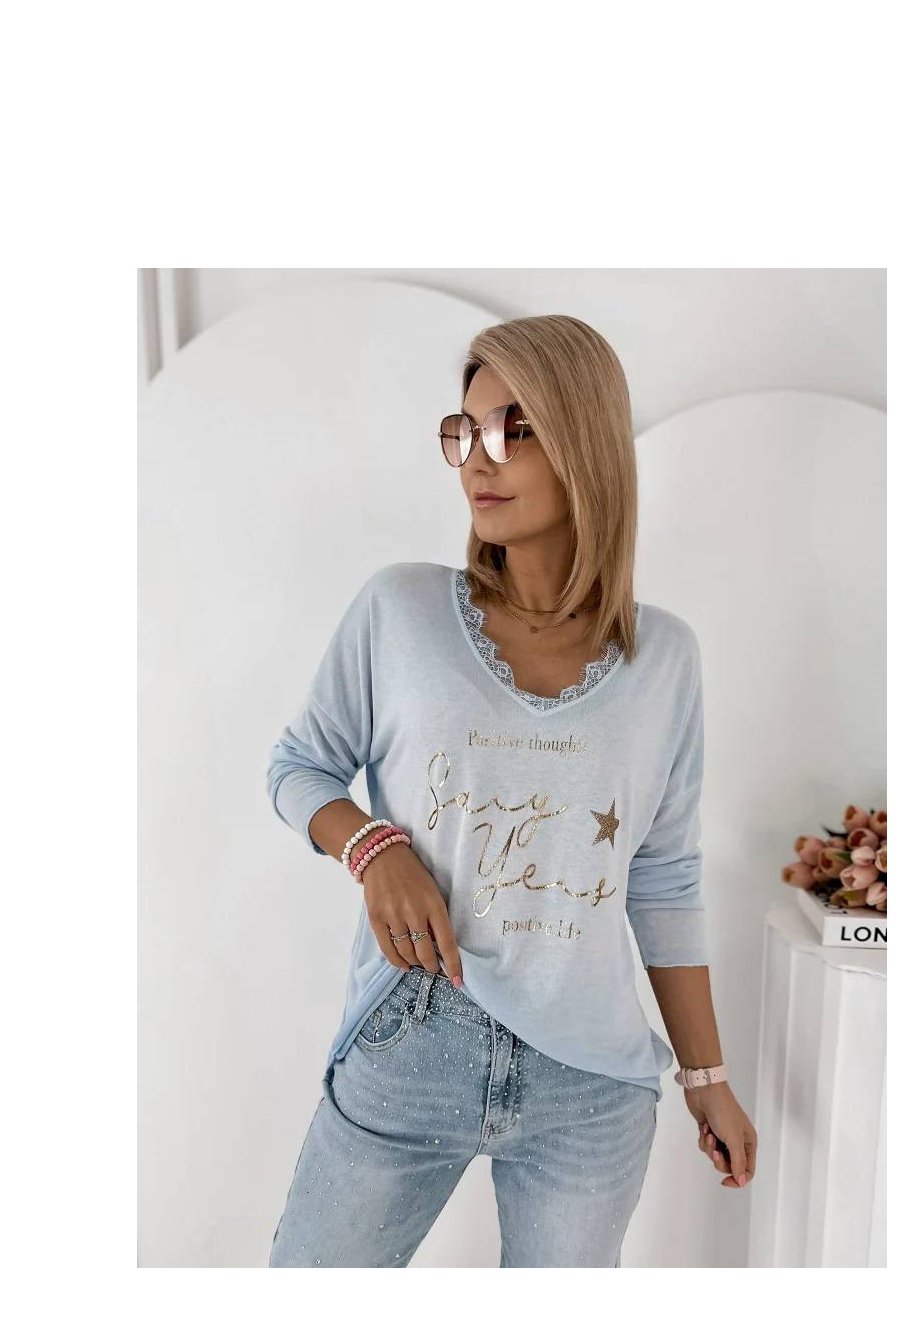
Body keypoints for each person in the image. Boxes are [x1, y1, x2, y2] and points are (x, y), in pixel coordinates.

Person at [265, 314, 757, 1267]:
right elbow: (299, 767)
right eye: (465, 431)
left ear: (587, 439)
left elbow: (662, 877)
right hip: (414, 1039)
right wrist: (373, 848)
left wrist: (707, 1078)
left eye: (513, 430)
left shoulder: (666, 659)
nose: (477, 461)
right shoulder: (399, 610)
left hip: (591, 1086)